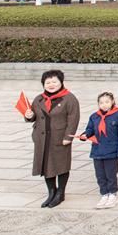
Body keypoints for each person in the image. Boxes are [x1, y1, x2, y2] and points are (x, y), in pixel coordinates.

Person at [24, 69, 80, 208]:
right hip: (42, 138)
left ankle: (60, 193)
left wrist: (68, 136)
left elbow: (73, 119)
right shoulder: (39, 99)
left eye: (54, 81)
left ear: (61, 82)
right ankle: (51, 192)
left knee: (61, 165)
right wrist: (29, 116)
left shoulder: (69, 99)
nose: (51, 85)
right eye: (47, 82)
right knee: (46, 165)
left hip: (59, 138)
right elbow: (33, 116)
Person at [78, 91, 118, 209]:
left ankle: (113, 194)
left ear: (112, 102)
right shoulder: (94, 116)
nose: (104, 105)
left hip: (111, 150)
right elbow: (90, 129)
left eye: (107, 102)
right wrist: (85, 135)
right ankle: (104, 193)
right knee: (100, 174)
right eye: (101, 103)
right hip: (97, 150)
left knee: (111, 174)